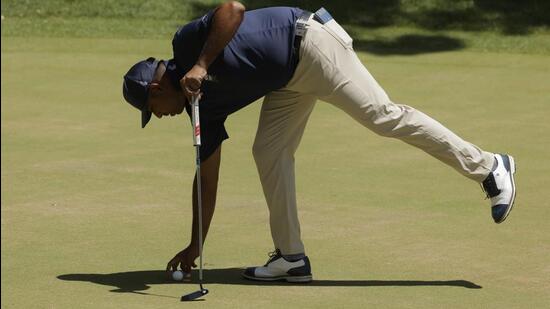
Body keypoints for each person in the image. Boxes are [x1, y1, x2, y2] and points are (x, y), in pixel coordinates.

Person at [122, 1, 517, 283]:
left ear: (157, 87)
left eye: (151, 108)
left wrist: (202, 63)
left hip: (311, 43)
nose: (158, 116)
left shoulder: (186, 43)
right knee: (269, 151)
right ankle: (291, 257)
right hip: (288, 81)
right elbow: (206, 179)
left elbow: (234, 9)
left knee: (382, 116)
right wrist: (195, 246)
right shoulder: (200, 112)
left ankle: (488, 166)